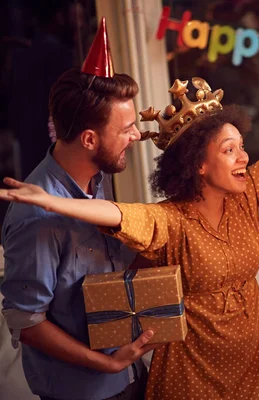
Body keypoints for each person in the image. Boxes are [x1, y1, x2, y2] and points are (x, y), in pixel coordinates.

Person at [0, 72, 259, 398]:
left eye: (242, 146)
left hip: (249, 377)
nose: (245, 156)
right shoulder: (171, 219)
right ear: (198, 165)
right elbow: (120, 215)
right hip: (189, 379)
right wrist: (52, 202)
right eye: (229, 149)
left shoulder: (247, 195)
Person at [0, 19, 158, 400]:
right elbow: (25, 321)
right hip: (85, 390)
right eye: (126, 129)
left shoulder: (96, 176)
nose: (136, 136)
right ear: (89, 138)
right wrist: (106, 363)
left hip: (130, 373)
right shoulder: (36, 218)